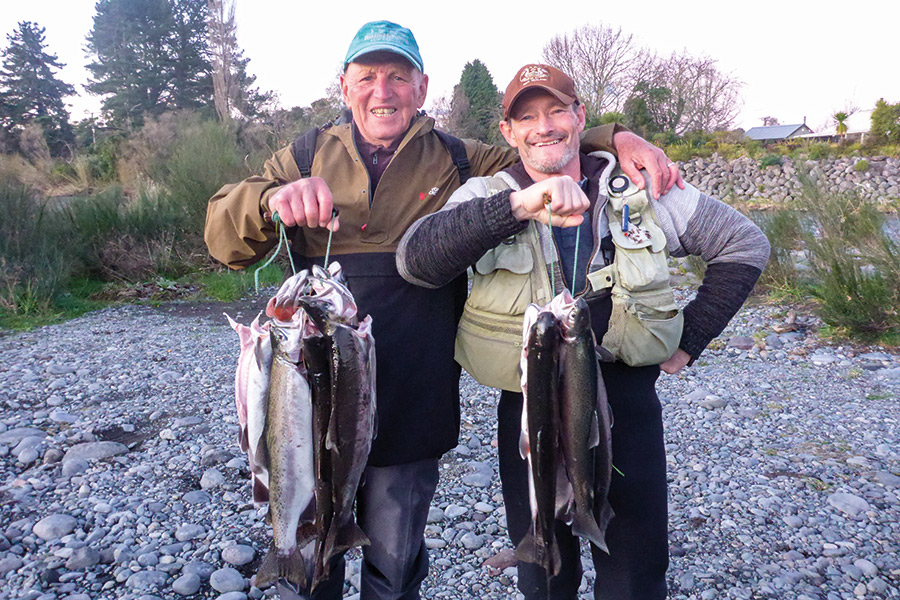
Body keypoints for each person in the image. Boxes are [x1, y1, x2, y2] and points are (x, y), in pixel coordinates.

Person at [205, 20, 680, 600]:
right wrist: (268, 200)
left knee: (396, 556)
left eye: (399, 77)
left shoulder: (462, 158)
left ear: (422, 87)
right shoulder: (302, 154)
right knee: (310, 541)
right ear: (345, 85)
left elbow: (547, 145)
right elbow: (223, 240)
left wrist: (620, 138)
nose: (384, 91)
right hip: (312, 383)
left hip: (415, 389)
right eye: (369, 77)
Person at [396, 64, 770, 600]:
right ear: (508, 132)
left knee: (635, 572)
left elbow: (746, 243)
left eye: (555, 110)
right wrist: (517, 207)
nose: (543, 126)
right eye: (526, 117)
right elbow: (417, 261)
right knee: (544, 570)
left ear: (579, 117)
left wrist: (691, 338)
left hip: (626, 401)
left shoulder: (639, 189)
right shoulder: (486, 193)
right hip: (527, 404)